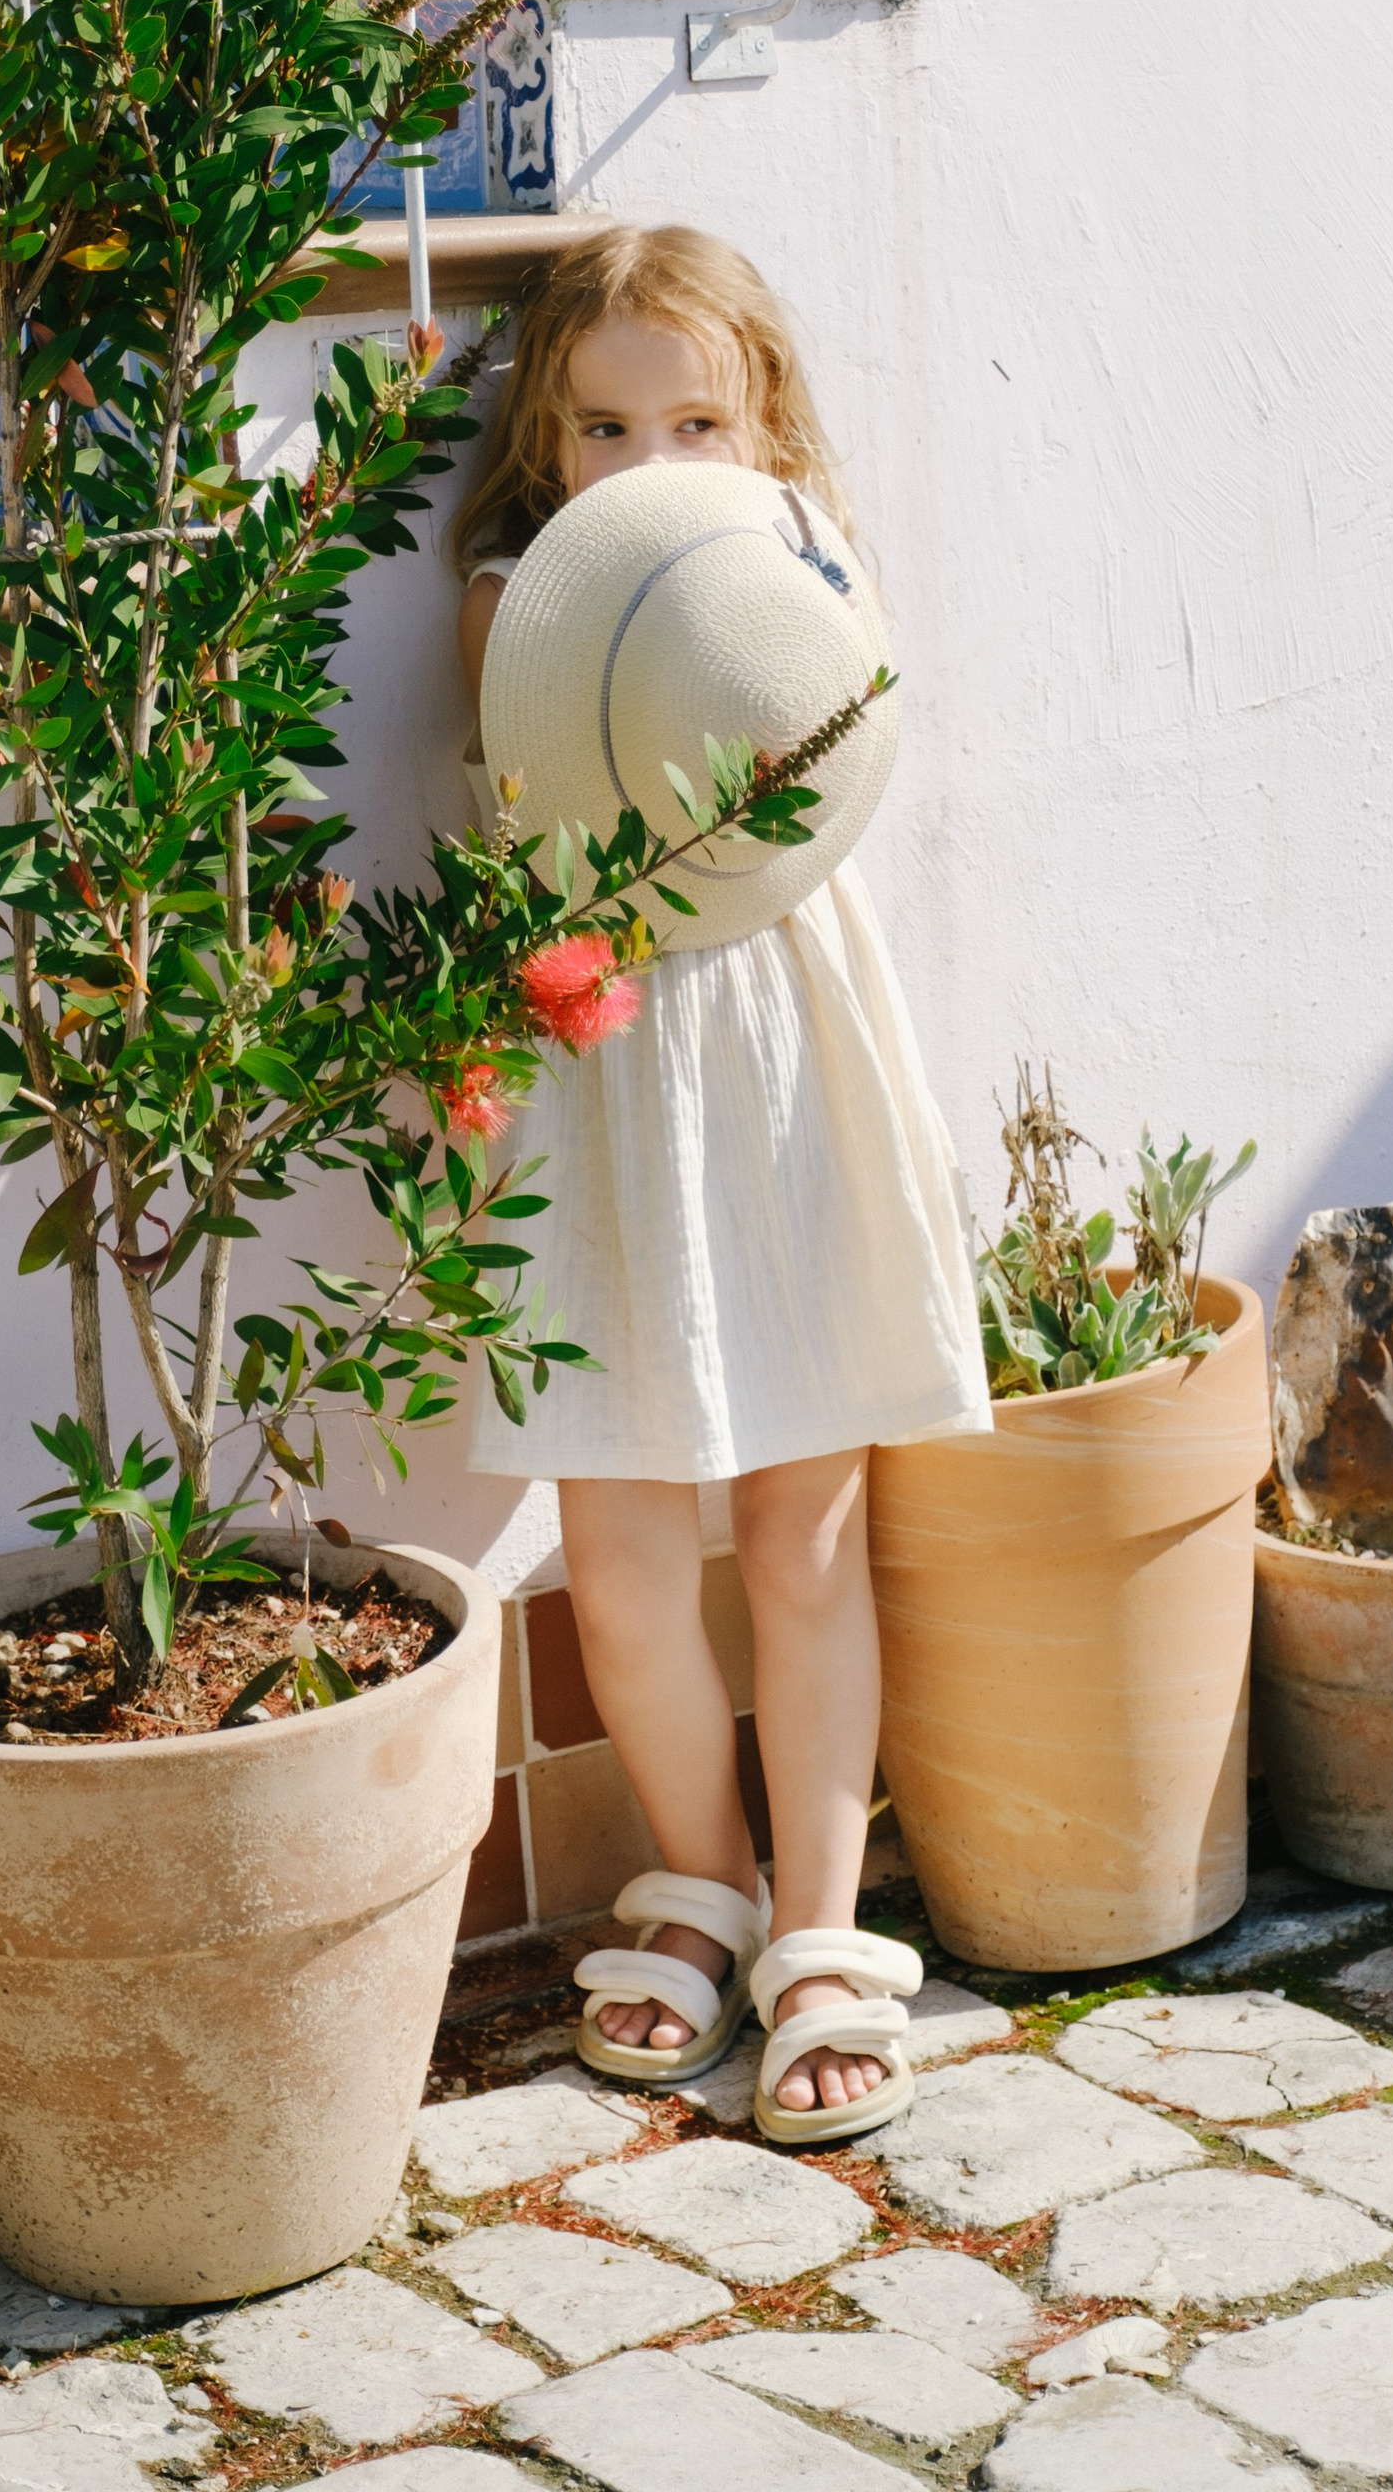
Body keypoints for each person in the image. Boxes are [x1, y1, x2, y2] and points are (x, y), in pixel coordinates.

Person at [452, 222, 991, 2143]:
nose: (652, 461)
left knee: (802, 1527)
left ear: (763, 421)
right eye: (606, 427)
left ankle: (828, 1931)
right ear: (547, 433)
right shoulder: (518, 598)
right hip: (605, 1059)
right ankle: (704, 1881)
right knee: (617, 1547)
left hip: (782, 1057)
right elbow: (533, 831)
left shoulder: (803, 579)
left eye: (698, 417)